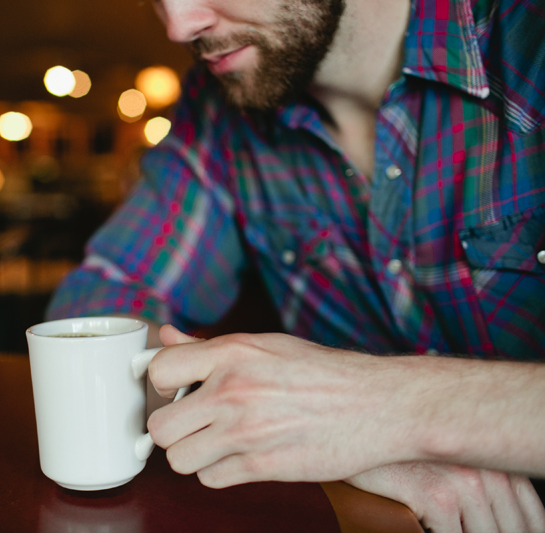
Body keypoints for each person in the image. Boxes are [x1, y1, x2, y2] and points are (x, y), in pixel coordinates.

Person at [46, 0, 545, 530]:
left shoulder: (529, 45)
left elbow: (361, 414)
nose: (178, 25)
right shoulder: (219, 108)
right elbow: (97, 314)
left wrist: (384, 412)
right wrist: (331, 435)